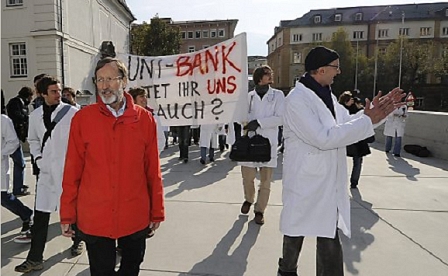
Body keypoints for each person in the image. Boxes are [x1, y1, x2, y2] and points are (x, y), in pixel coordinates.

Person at [277, 46, 404, 276]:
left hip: (328, 180)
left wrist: (374, 114)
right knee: (295, 234)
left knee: (328, 232)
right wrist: (366, 120)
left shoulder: (328, 96)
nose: (339, 71)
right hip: (306, 180)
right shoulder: (297, 100)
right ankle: (286, 272)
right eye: (336, 67)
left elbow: (347, 123)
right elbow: (323, 138)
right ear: (322, 70)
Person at [59, 57, 165, 276]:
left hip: (134, 213)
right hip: (95, 215)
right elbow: (72, 170)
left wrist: (157, 210)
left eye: (110, 79)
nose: (104, 86)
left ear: (124, 81)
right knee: (101, 271)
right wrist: (68, 213)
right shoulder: (83, 119)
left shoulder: (144, 119)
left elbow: (152, 169)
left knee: (131, 268)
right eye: (99, 80)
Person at [14, 76, 80, 273]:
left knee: (74, 212)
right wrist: (38, 158)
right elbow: (32, 139)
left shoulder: (72, 113)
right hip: (45, 174)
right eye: (53, 91)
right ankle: (35, 258)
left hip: (67, 172)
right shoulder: (34, 116)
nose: (59, 94)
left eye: (59, 90)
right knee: (41, 217)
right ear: (42, 94)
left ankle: (78, 241)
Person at [239, 65, 285, 225]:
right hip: (250, 143)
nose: (271, 75)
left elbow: (281, 118)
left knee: (265, 180)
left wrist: (259, 123)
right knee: (247, 177)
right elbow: (240, 116)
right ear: (259, 77)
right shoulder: (249, 96)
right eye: (267, 73)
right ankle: (248, 199)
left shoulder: (278, 96)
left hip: (267, 143)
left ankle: (260, 210)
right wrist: (245, 123)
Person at [1, 109, 33, 244]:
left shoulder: (3, 120)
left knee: (3, 197)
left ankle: (27, 215)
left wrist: (1, 153)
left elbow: (13, 142)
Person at [339, 94, 375, 189]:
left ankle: (353, 182)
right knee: (355, 162)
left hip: (353, 141)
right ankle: (352, 182)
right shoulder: (344, 111)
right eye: (351, 99)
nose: (352, 101)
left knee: (356, 162)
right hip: (353, 141)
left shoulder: (342, 110)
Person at [6, 86, 34, 196]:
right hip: (12, 138)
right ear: (28, 96)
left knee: (19, 163)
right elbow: (17, 117)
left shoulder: (19, 103)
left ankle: (18, 186)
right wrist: (27, 118)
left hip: (14, 137)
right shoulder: (16, 103)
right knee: (20, 163)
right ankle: (18, 188)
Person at [128, 87, 166, 154]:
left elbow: (160, 139)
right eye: (141, 96)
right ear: (133, 99)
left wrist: (151, 155)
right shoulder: (124, 116)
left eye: (146, 96)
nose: (145, 99)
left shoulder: (152, 116)